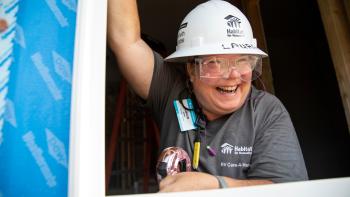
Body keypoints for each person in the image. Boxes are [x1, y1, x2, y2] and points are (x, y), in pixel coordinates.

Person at [107, 0, 308, 192]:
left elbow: (288, 190)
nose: (234, 75)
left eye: (243, 60)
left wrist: (215, 187)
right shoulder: (170, 93)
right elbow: (126, 41)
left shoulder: (266, 112)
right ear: (191, 70)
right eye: (216, 62)